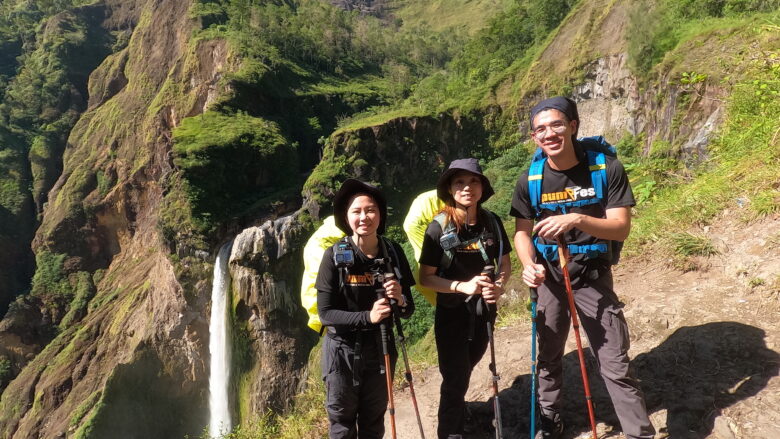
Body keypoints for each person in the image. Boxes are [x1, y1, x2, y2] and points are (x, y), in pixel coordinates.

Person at [510, 96, 655, 439]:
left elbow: (620, 227)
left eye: (557, 125)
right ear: (534, 137)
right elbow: (521, 233)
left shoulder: (605, 169)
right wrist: (528, 265)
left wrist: (577, 219)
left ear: (573, 126)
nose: (549, 133)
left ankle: (639, 434)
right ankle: (549, 420)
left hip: (591, 275)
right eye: (540, 129)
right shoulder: (530, 180)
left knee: (615, 363)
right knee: (547, 355)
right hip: (549, 276)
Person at [418, 159, 512, 439]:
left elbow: (504, 264)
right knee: (455, 378)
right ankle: (450, 433)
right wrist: (463, 286)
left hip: (485, 311)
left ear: (483, 186)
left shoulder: (492, 223)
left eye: (473, 181)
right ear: (450, 189)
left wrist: (499, 286)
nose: (467, 188)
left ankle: (460, 410)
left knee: (469, 364)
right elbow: (426, 278)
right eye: (459, 182)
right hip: (452, 314)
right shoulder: (439, 228)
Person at [316, 179, 416, 439]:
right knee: (342, 424)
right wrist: (367, 316)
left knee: (373, 421)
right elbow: (325, 314)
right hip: (342, 353)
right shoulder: (333, 256)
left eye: (370, 210)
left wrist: (401, 299)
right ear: (346, 217)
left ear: (380, 214)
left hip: (381, 347)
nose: (364, 217)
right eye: (356, 211)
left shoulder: (393, 252)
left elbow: (408, 309)